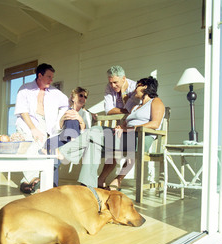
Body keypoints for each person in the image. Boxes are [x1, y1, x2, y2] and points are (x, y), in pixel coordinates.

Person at [57, 77, 165, 190]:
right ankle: (88, 186)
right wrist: (122, 127)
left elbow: (155, 124)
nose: (134, 89)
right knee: (94, 141)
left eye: (137, 86)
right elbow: (126, 123)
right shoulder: (135, 107)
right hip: (125, 137)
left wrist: (128, 129)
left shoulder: (156, 101)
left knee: (93, 132)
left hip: (139, 138)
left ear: (145, 86)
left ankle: (64, 152)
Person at [14, 63, 69, 194]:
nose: (51, 80)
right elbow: (22, 111)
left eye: (52, 77)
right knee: (32, 142)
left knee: (42, 147)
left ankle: (27, 182)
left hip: (46, 123)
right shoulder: (25, 89)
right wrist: (33, 128)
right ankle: (32, 179)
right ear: (40, 75)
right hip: (27, 122)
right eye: (49, 77)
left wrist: (60, 119)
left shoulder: (55, 92)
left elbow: (67, 104)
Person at [47, 86, 95, 186]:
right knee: (50, 143)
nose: (83, 98)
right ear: (73, 97)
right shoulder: (63, 111)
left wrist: (80, 120)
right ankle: (52, 185)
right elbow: (55, 129)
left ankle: (70, 145)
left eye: (85, 97)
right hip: (65, 138)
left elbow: (88, 133)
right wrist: (62, 120)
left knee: (73, 118)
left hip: (80, 139)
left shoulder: (86, 114)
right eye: (80, 95)